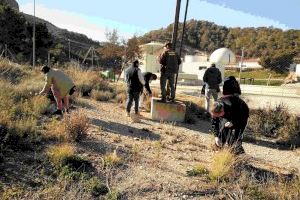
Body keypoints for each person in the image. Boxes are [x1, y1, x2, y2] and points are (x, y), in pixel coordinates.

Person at [211, 76, 249, 154]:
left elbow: (243, 119)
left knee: (233, 143)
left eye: (221, 115)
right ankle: (221, 148)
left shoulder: (237, 105)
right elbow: (215, 122)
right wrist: (216, 136)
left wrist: (234, 123)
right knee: (223, 132)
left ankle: (238, 153)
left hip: (239, 118)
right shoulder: (218, 105)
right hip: (231, 118)